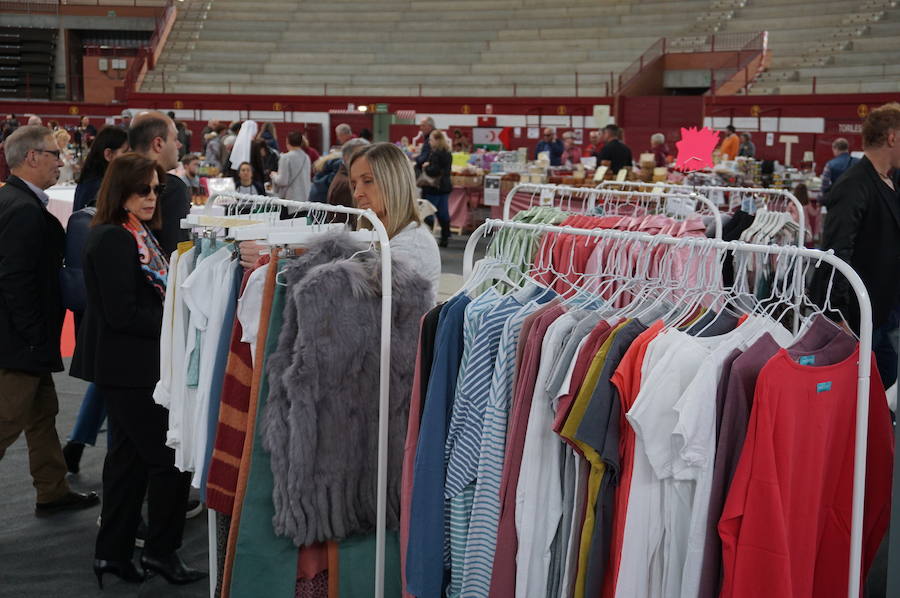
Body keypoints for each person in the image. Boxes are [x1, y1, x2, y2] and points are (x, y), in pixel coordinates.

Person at [70, 152, 205, 587]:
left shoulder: (134, 231)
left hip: (132, 366)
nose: (151, 197)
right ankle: (161, 553)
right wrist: (176, 327)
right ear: (121, 190)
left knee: (127, 463)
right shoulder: (115, 237)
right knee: (170, 459)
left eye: (156, 189)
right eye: (143, 189)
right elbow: (121, 313)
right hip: (128, 367)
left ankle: (112, 555)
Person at [0, 124, 100, 515]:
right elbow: (15, 279)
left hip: (24, 338)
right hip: (19, 341)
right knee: (7, 422)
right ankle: (52, 488)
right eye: (55, 154)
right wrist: (31, 336)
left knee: (42, 414)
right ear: (32, 157)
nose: (62, 161)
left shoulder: (16, 202)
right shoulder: (23, 209)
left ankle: (52, 488)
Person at [813, 102, 900, 388]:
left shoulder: (890, 180)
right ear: (892, 137)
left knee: (885, 374)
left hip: (884, 308)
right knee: (860, 385)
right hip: (858, 313)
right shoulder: (855, 185)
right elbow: (837, 251)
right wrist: (837, 313)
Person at [60, 126, 130, 474]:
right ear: (109, 154)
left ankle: (77, 444)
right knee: (110, 376)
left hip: (91, 294)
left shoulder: (90, 185)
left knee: (106, 378)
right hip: (101, 295)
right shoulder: (102, 189)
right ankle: (90, 449)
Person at [348, 142, 441, 300]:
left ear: (394, 182)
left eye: (368, 181)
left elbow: (367, 306)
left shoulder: (413, 245)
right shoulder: (379, 236)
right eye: (354, 184)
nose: (357, 193)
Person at [129, 111, 190, 256]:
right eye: (175, 139)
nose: (179, 145)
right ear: (158, 144)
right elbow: (175, 255)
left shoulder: (114, 180)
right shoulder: (172, 188)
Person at [73, 126, 130, 211]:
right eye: (126, 153)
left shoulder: (90, 181)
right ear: (109, 155)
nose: (131, 158)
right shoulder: (99, 188)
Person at [419, 129, 453, 247]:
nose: (429, 142)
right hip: (444, 187)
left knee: (428, 213)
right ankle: (445, 236)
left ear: (437, 140)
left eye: (431, 140)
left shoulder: (435, 154)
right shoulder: (448, 153)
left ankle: (428, 237)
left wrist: (426, 166)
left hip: (433, 188)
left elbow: (434, 171)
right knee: (443, 213)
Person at [327, 137, 369, 211]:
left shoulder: (347, 179)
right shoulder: (347, 184)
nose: (368, 160)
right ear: (347, 158)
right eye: (362, 156)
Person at [270, 131, 312, 203]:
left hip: (290, 200)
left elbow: (282, 181)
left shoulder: (286, 157)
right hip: (305, 198)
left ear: (287, 142)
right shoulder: (306, 157)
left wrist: (274, 175)